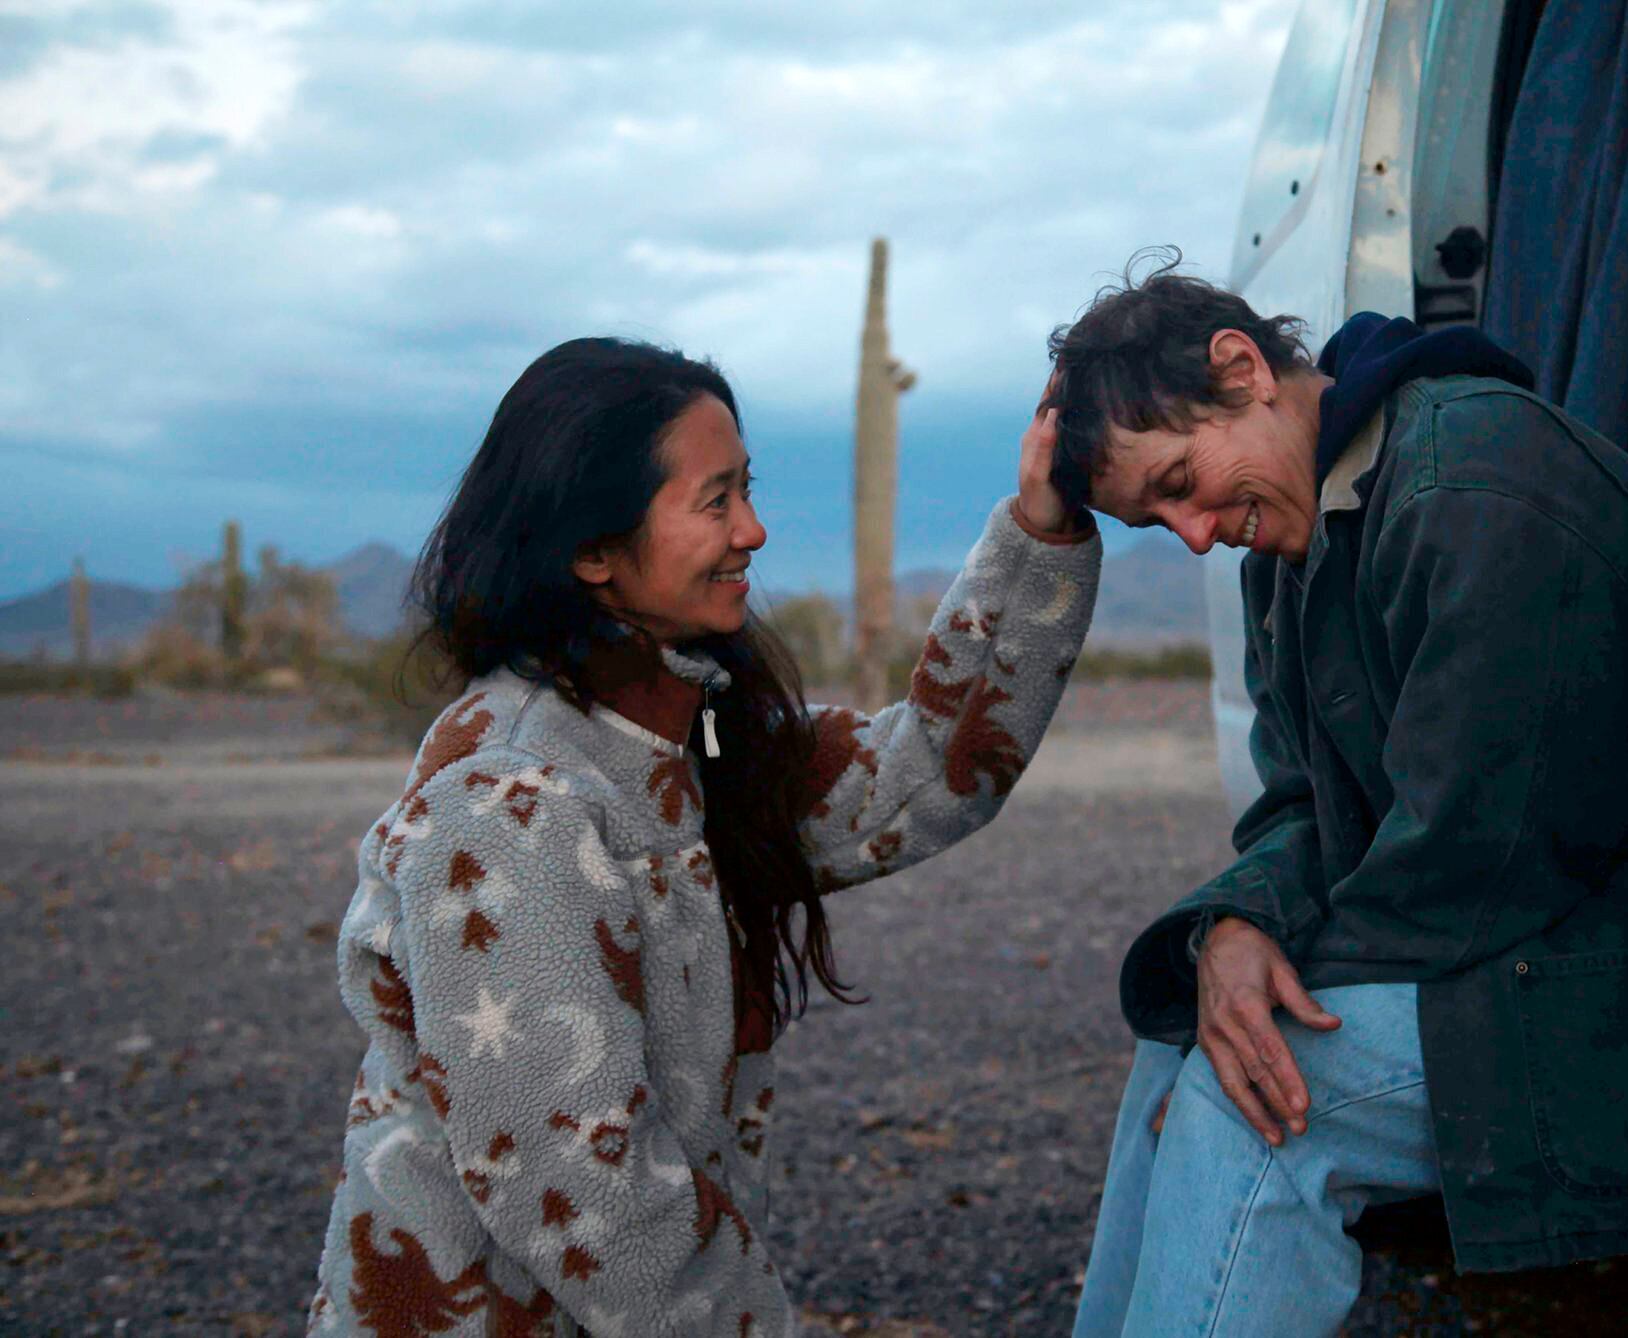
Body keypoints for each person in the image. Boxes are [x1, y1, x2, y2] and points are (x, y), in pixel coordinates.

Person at [1050, 261, 1628, 1336]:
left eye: (1181, 479)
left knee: (1256, 1099)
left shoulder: (1474, 479)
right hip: (1535, 940)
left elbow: (1484, 854)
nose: (1193, 532)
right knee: (1190, 1036)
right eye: (1159, 520)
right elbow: (1300, 805)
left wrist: (1262, 974)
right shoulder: (1296, 536)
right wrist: (1236, 928)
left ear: (1240, 369)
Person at [304, 338, 1099, 1336]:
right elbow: (585, 1198)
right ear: (592, 548)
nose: (753, 531)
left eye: (746, 492)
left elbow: (923, 775)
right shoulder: (508, 801)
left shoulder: (681, 739)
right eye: (714, 501)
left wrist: (1040, 530)